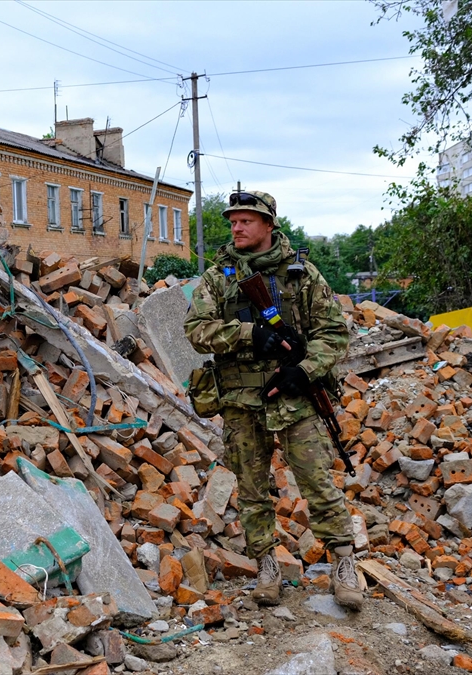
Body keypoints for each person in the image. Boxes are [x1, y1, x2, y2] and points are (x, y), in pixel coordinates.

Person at [183, 190, 362, 609]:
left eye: (246, 220)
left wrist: (305, 370)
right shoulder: (218, 277)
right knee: (251, 489)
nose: (236, 227)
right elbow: (196, 331)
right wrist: (250, 335)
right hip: (241, 399)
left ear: (268, 225)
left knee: (317, 481)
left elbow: (334, 333)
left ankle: (344, 563)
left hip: (294, 398)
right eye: (232, 221)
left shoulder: (302, 274)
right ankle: (266, 566)